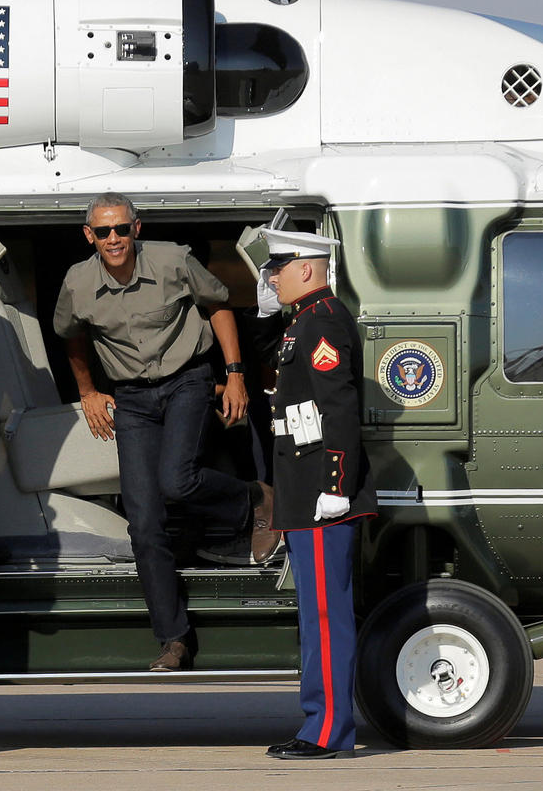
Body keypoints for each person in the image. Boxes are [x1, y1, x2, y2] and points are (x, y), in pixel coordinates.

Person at [52, 192, 280, 672]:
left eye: (121, 229)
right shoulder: (77, 280)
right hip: (131, 398)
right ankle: (173, 640)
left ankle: (257, 498)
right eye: (103, 231)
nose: (113, 239)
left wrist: (236, 374)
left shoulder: (174, 259)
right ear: (89, 236)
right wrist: (89, 391)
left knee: (176, 479)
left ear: (136, 228)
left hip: (187, 380)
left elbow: (218, 306)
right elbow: (72, 334)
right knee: (144, 521)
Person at [254, 228, 378, 759]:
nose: (271, 277)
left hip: (323, 496)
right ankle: (318, 723)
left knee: (327, 618)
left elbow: (339, 408)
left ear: (307, 267)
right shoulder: (302, 320)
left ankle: (329, 732)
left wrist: (337, 486)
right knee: (314, 617)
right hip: (304, 493)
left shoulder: (322, 319)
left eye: (278, 266)